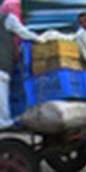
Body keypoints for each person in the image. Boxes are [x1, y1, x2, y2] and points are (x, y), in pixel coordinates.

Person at [0, 0, 46, 130]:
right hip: (2, 65)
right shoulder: (8, 18)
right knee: (1, 92)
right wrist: (41, 39)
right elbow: (23, 32)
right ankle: (3, 121)